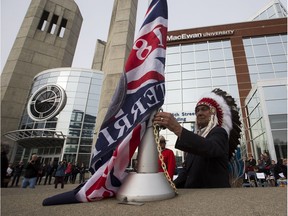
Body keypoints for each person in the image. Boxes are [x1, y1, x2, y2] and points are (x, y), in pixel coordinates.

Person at [153, 88, 241, 188]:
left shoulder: (219, 132)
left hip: (215, 196)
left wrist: (177, 129)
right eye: (197, 110)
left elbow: (210, 148)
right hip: (193, 196)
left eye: (204, 109)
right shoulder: (196, 139)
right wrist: (170, 186)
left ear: (213, 113)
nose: (199, 113)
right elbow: (186, 171)